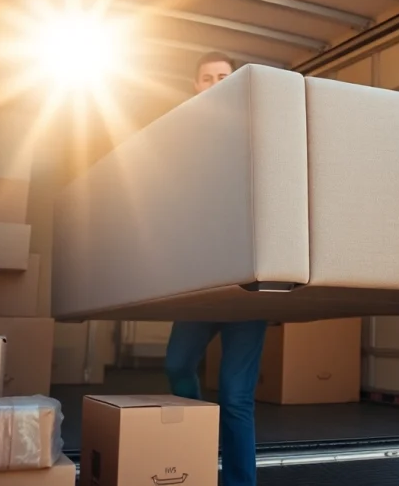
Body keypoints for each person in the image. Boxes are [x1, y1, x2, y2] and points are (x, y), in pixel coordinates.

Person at [165, 50, 267, 486]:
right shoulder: (181, 134)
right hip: (202, 285)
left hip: (246, 290)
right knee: (176, 364)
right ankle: (195, 453)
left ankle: (239, 482)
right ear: (195, 85)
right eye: (207, 77)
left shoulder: (253, 132)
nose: (215, 82)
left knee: (236, 396)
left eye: (223, 76)